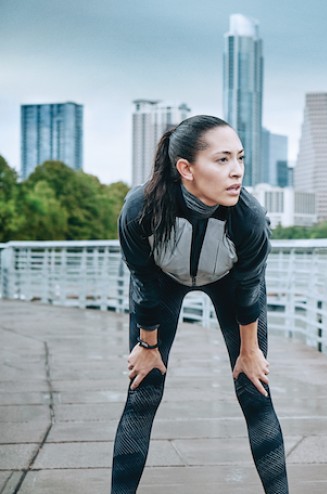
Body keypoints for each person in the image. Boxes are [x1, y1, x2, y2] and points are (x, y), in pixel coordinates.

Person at [111, 115, 288, 493]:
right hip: (162, 283)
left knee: (255, 392)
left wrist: (249, 350)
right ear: (186, 168)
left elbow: (249, 287)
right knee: (143, 392)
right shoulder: (140, 208)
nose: (236, 171)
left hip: (229, 285)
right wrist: (147, 345)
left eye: (240, 158)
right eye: (222, 160)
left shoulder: (249, 217)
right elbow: (143, 279)